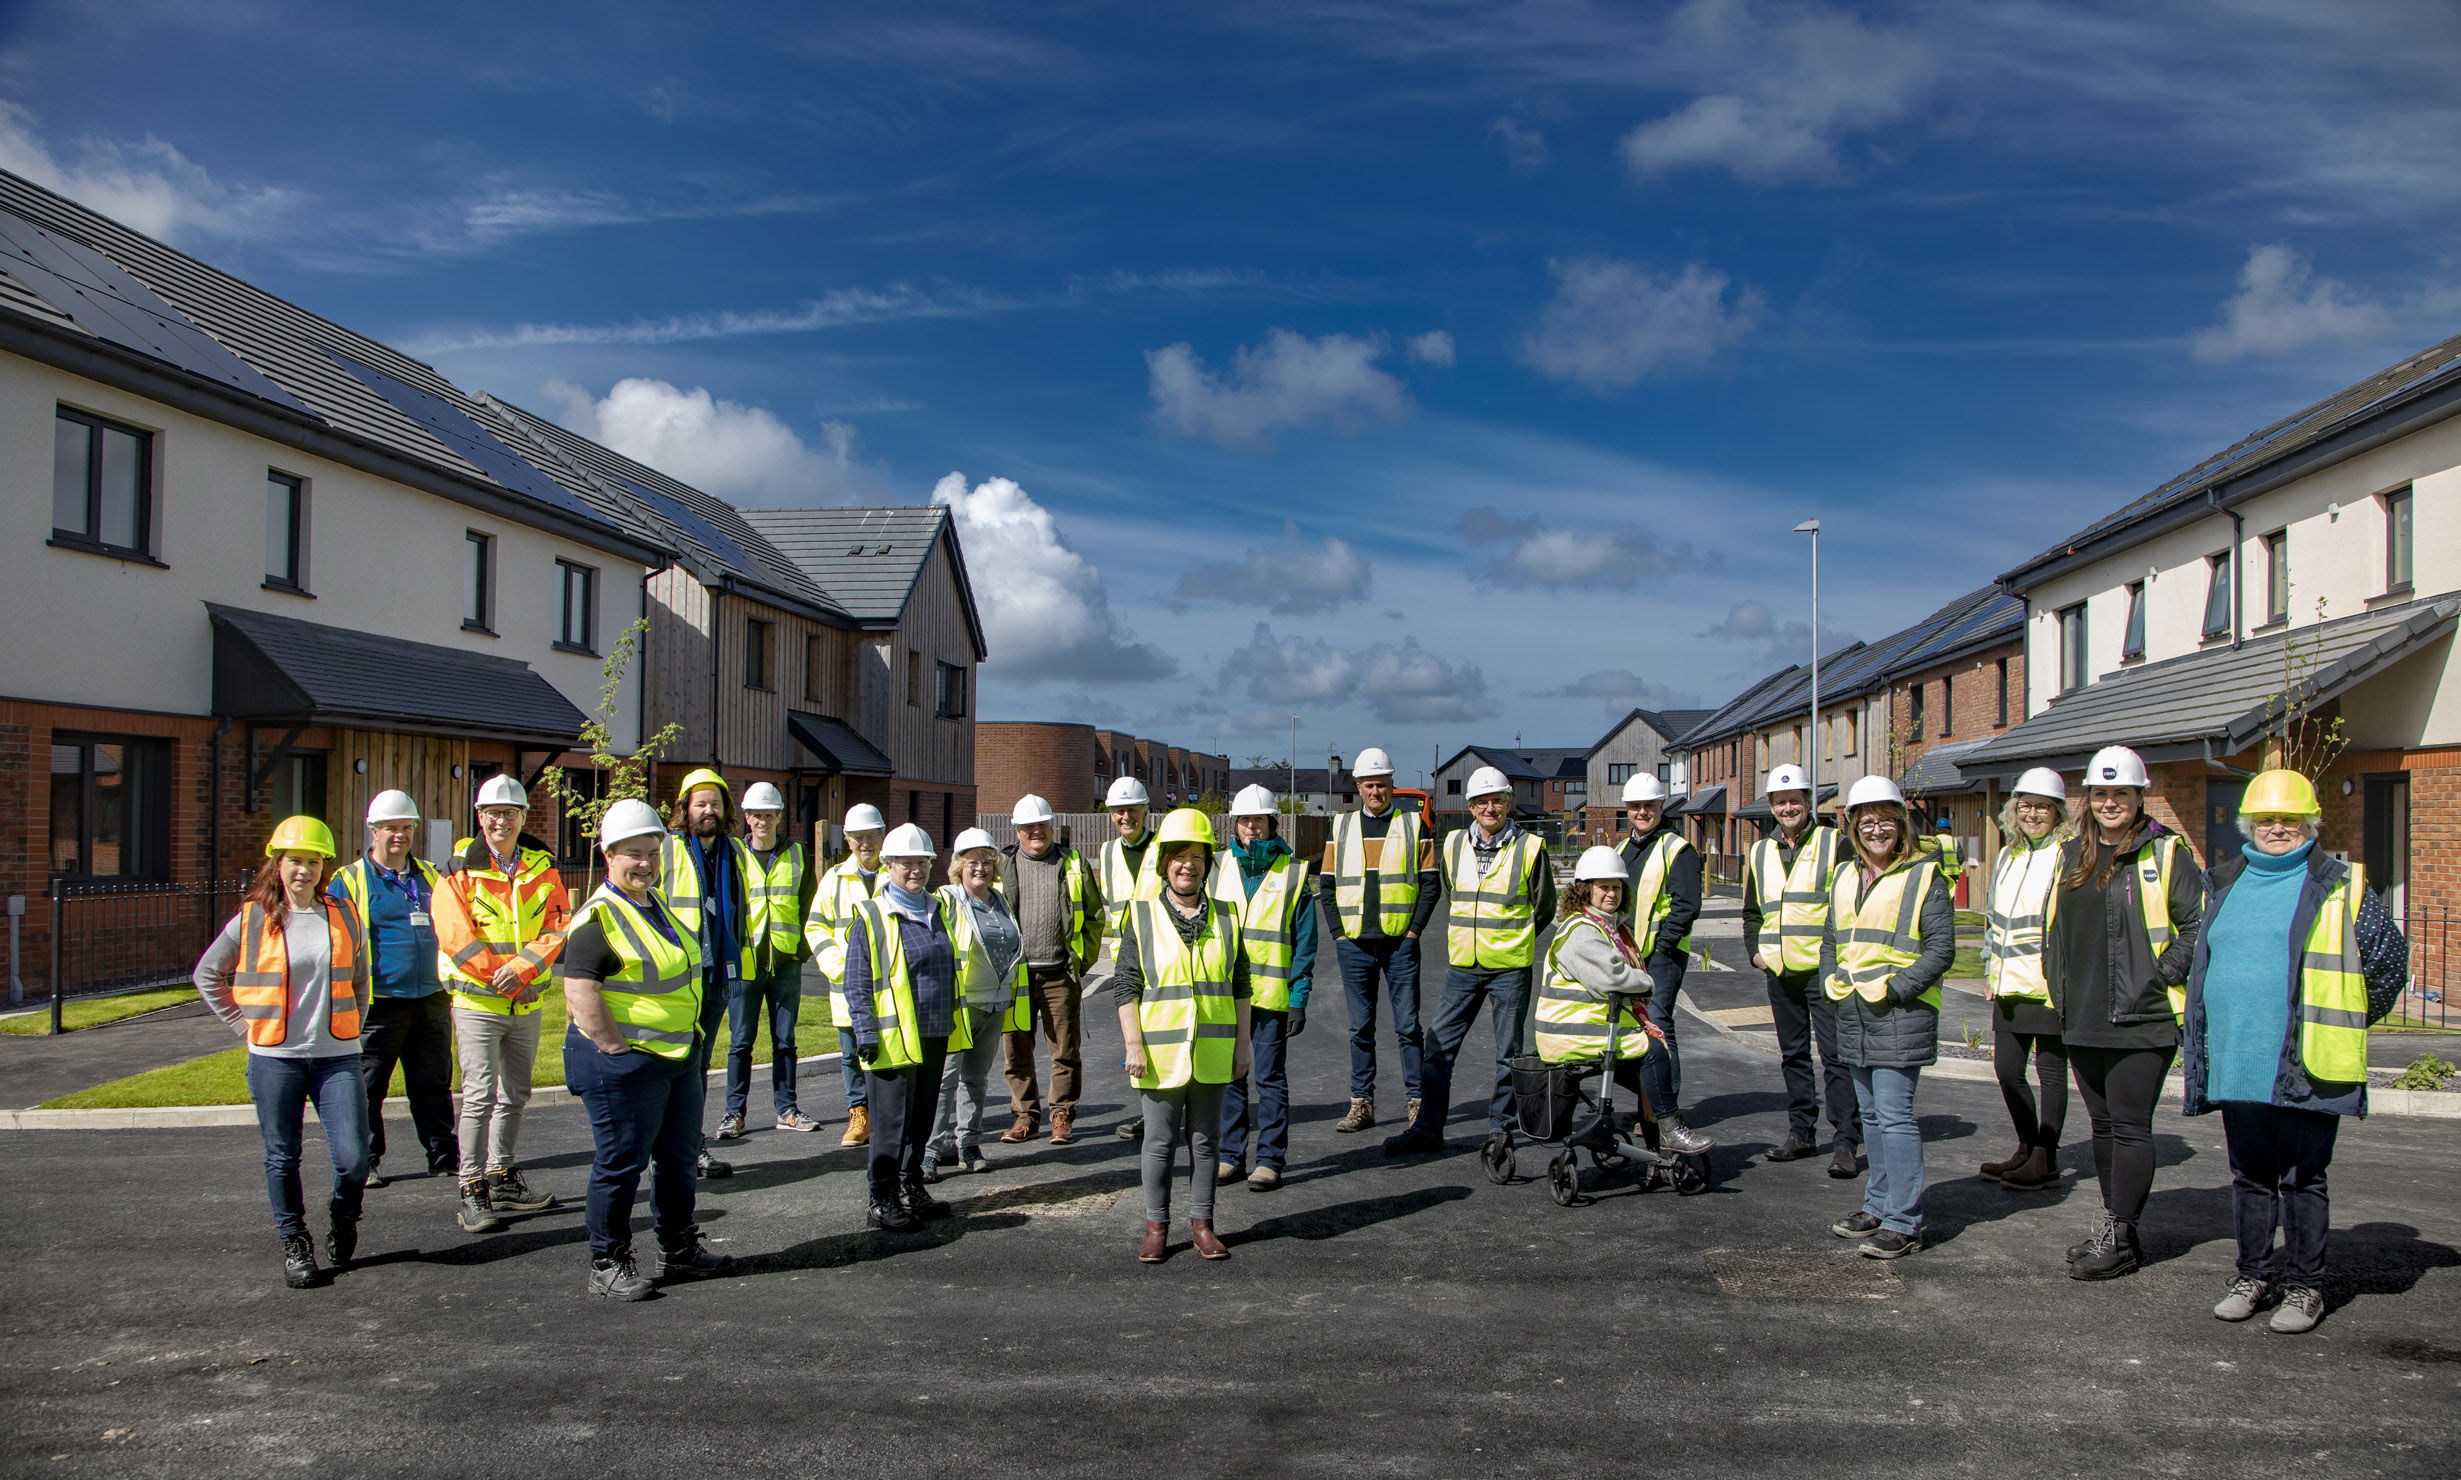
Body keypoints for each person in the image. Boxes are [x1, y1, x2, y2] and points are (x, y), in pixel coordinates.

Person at [2183, 770, 2408, 1334]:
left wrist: (2337, 1024)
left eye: (2288, 820)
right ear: (2248, 827)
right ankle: (2252, 1275)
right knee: (2250, 1176)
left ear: (2309, 824)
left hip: (2308, 1061)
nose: (2277, 829)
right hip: (2239, 1060)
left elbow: (2386, 966)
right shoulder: (2224, 883)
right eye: (2266, 820)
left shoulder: (2341, 885)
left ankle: (2305, 1288)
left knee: (2303, 1178)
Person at [559, 798, 733, 1301]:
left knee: (678, 1160)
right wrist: (615, 1047)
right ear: (609, 855)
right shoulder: (599, 917)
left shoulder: (654, 906)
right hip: (626, 1062)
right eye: (634, 853)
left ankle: (678, 1250)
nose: (646, 863)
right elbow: (579, 991)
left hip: (676, 1058)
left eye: (652, 853)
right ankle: (607, 1261)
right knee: (621, 1163)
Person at [195, 816, 370, 1289]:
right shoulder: (254, 917)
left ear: (323, 867)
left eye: (313, 862)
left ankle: (343, 1216)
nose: (304, 871)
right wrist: (241, 1025)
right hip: (275, 1058)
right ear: (278, 862)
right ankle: (295, 1242)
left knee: (354, 1159)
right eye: (295, 861)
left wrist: (352, 1025)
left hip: (337, 1056)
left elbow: (359, 979)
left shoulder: (344, 913)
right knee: (281, 1156)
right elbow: (207, 973)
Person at [2051, 745, 2205, 1281]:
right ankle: (2117, 1230)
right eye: (2100, 793)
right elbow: (2057, 934)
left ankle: (2120, 1238)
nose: (2110, 802)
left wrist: (2157, 976)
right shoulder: (2071, 855)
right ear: (2087, 799)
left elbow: (2197, 929)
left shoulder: (2167, 854)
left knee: (2131, 1129)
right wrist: (2059, 991)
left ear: (2140, 797)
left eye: (2121, 793)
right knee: (2101, 1126)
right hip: (2083, 1015)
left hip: (2144, 1018)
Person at [1821, 776, 1955, 1260]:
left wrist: (1897, 988)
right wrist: (1829, 981)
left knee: (1895, 1117)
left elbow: (1942, 949)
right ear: (1854, 827)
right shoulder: (1844, 876)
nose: (1877, 830)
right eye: (1866, 821)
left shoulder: (1924, 876)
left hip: (1899, 1012)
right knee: (1872, 1116)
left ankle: (1904, 1222)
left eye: (1886, 821)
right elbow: (1832, 939)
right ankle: (1877, 1205)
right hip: (1854, 1010)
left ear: (1901, 825)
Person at [1388, 766, 1551, 1156]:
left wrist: (1513, 938)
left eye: (1496, 800)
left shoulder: (1530, 848)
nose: (1489, 808)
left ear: (1508, 803)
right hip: (1463, 966)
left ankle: (1500, 1131)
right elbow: (1452, 894)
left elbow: (1544, 908)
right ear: (1471, 807)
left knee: (1507, 1054)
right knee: (1438, 1046)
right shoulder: (1453, 845)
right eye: (1481, 802)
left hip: (1509, 968)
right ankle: (1427, 1129)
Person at [432, 774, 568, 1234]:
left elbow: (558, 921)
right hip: (479, 1004)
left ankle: (502, 1177)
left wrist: (526, 970)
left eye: (510, 813)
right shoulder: (457, 869)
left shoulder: (541, 866)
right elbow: (455, 937)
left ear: (524, 817)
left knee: (515, 1094)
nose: (501, 821)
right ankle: (471, 1187)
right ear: (480, 817)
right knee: (477, 1096)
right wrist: (506, 979)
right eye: (493, 813)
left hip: (525, 1003)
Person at [1115, 809, 1252, 1262]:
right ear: (1163, 864)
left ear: (1208, 865)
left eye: (1197, 856)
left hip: (1213, 1051)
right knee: (1157, 1143)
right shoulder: (1141, 916)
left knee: (1206, 1142)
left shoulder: (1229, 917)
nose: (1187, 864)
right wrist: (1133, 1044)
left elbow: (1240, 987)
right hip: (1157, 1052)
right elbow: (1126, 984)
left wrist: (1243, 1045)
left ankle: (1203, 1225)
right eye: (1178, 856)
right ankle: (1156, 1227)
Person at [328, 790, 454, 1188]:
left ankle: (444, 1156)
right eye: (391, 828)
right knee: (368, 1085)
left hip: (431, 998)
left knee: (433, 1082)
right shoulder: (348, 880)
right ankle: (366, 1160)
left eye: (406, 827)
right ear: (373, 831)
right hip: (378, 1003)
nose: (399, 835)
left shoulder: (431, 876)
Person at [843, 823, 959, 1232]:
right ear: (888, 866)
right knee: (891, 1124)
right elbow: (855, 981)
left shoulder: (936, 908)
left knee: (921, 1118)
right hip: (891, 1040)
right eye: (906, 863)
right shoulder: (872, 916)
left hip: (934, 1032)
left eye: (922, 863)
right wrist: (865, 1033)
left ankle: (911, 1187)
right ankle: (882, 1198)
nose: (915, 870)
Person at [1743, 765, 1857, 1177]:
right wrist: (1755, 952)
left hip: (1822, 972)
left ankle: (1845, 1140)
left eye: (1795, 800)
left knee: (1836, 1056)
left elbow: (1849, 904)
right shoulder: (1759, 851)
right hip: (1780, 971)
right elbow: (1753, 911)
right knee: (1793, 1055)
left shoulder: (1836, 843)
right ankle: (1801, 1133)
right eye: (1780, 801)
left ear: (1809, 801)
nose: (1788, 807)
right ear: (1771, 806)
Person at [1319, 746, 1438, 1134]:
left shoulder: (1413, 826)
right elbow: (1327, 883)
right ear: (1358, 786)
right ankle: (1362, 1104)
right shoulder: (1341, 827)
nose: (1376, 791)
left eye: (1382, 784)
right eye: (1369, 785)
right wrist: (1338, 934)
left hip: (1400, 944)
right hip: (1354, 944)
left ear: (1392, 785)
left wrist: (1414, 930)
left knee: (1408, 1027)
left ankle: (1417, 1103)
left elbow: (1430, 885)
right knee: (1360, 1029)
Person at [1211, 785, 1316, 1189]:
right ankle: (1230, 1155)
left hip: (1272, 998)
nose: (1251, 827)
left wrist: (1299, 997)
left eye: (1258, 819)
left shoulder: (1292, 872)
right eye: (1244, 820)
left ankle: (1270, 1159)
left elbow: (1305, 942)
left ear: (1272, 822)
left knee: (1269, 1078)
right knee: (1230, 1075)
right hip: (1225, 995)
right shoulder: (1219, 868)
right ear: (1235, 825)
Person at [1532, 846, 1672, 1145]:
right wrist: (1646, 983)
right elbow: (1612, 979)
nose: (1612, 893)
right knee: (1655, 1055)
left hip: (1592, 1029)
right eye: (1603, 887)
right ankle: (1671, 1135)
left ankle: (1660, 1150)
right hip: (1574, 1034)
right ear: (1585, 890)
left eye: (1617, 887)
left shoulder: (1607, 926)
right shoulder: (1582, 930)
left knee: (1652, 1072)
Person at [1979, 768, 2074, 1193]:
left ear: (2058, 812)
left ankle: (2046, 1157)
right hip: (2008, 985)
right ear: (2014, 809)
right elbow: (1993, 920)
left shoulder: (2068, 853)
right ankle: (2026, 1145)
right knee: (2007, 1071)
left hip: (2049, 987)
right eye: (2026, 806)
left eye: (2042, 807)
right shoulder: (2008, 854)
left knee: (2052, 1075)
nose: (2032, 814)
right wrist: (1989, 968)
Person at [661, 768, 755, 1179]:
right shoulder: (668, 848)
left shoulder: (734, 851)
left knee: (698, 1066)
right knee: (672, 1066)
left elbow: (741, 912)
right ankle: (668, 1150)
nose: (708, 811)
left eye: (715, 804)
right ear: (686, 809)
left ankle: (690, 1146)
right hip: (680, 976)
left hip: (717, 975)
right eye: (700, 803)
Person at [998, 793, 1105, 1147]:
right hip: (1015, 976)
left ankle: (1061, 1115)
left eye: (1040, 825)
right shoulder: (1001, 866)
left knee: (1064, 1051)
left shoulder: (1073, 863)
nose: (1035, 832)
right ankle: (1025, 1116)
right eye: (1027, 827)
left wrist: (1080, 962)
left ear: (1051, 826)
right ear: (1016, 830)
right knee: (1016, 1049)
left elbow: (1093, 917)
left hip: (1059, 973)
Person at [719, 782, 824, 1140]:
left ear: (779, 816)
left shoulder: (797, 853)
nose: (762, 821)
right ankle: (734, 1113)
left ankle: (787, 1109)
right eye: (756, 815)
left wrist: (800, 951)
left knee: (785, 1040)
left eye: (769, 814)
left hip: (785, 961)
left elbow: (810, 903)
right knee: (740, 1041)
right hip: (745, 961)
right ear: (746, 818)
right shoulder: (732, 853)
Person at [928, 828, 1026, 1180]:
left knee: (976, 1079)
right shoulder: (947, 899)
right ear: (958, 866)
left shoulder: (999, 900)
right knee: (945, 1079)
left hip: (996, 1003)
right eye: (973, 862)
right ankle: (930, 1150)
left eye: (987, 861)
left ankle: (968, 1144)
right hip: (961, 1005)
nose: (981, 868)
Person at [1618, 773, 1707, 1147]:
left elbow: (1687, 904)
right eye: (1636, 807)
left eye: (1649, 806)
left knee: (1659, 1026)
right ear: (1628, 811)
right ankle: (1648, 1105)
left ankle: (1663, 1110)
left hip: (1662, 956)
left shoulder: (1677, 849)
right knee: (1637, 1029)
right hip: (1631, 956)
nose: (1642, 812)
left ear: (1660, 807)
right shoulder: (1623, 851)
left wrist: (1665, 946)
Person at [805, 803, 889, 1148]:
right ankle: (859, 1114)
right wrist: (838, 968)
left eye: (871, 836)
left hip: (888, 985)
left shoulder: (895, 872)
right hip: (846, 986)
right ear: (847, 839)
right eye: (858, 837)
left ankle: (886, 1116)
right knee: (850, 1054)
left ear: (882, 836)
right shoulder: (835, 878)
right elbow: (816, 926)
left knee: (888, 1051)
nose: (865, 843)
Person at [1100, 776, 1164, 1143]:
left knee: (1163, 1034)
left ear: (1145, 811)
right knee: (1135, 1039)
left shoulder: (1163, 847)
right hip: (1126, 963)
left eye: (1132, 809)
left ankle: (1163, 1111)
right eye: (1119, 811)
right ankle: (1150, 1112)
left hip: (1162, 955)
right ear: (1111, 815)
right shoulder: (1108, 852)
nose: (1126, 816)